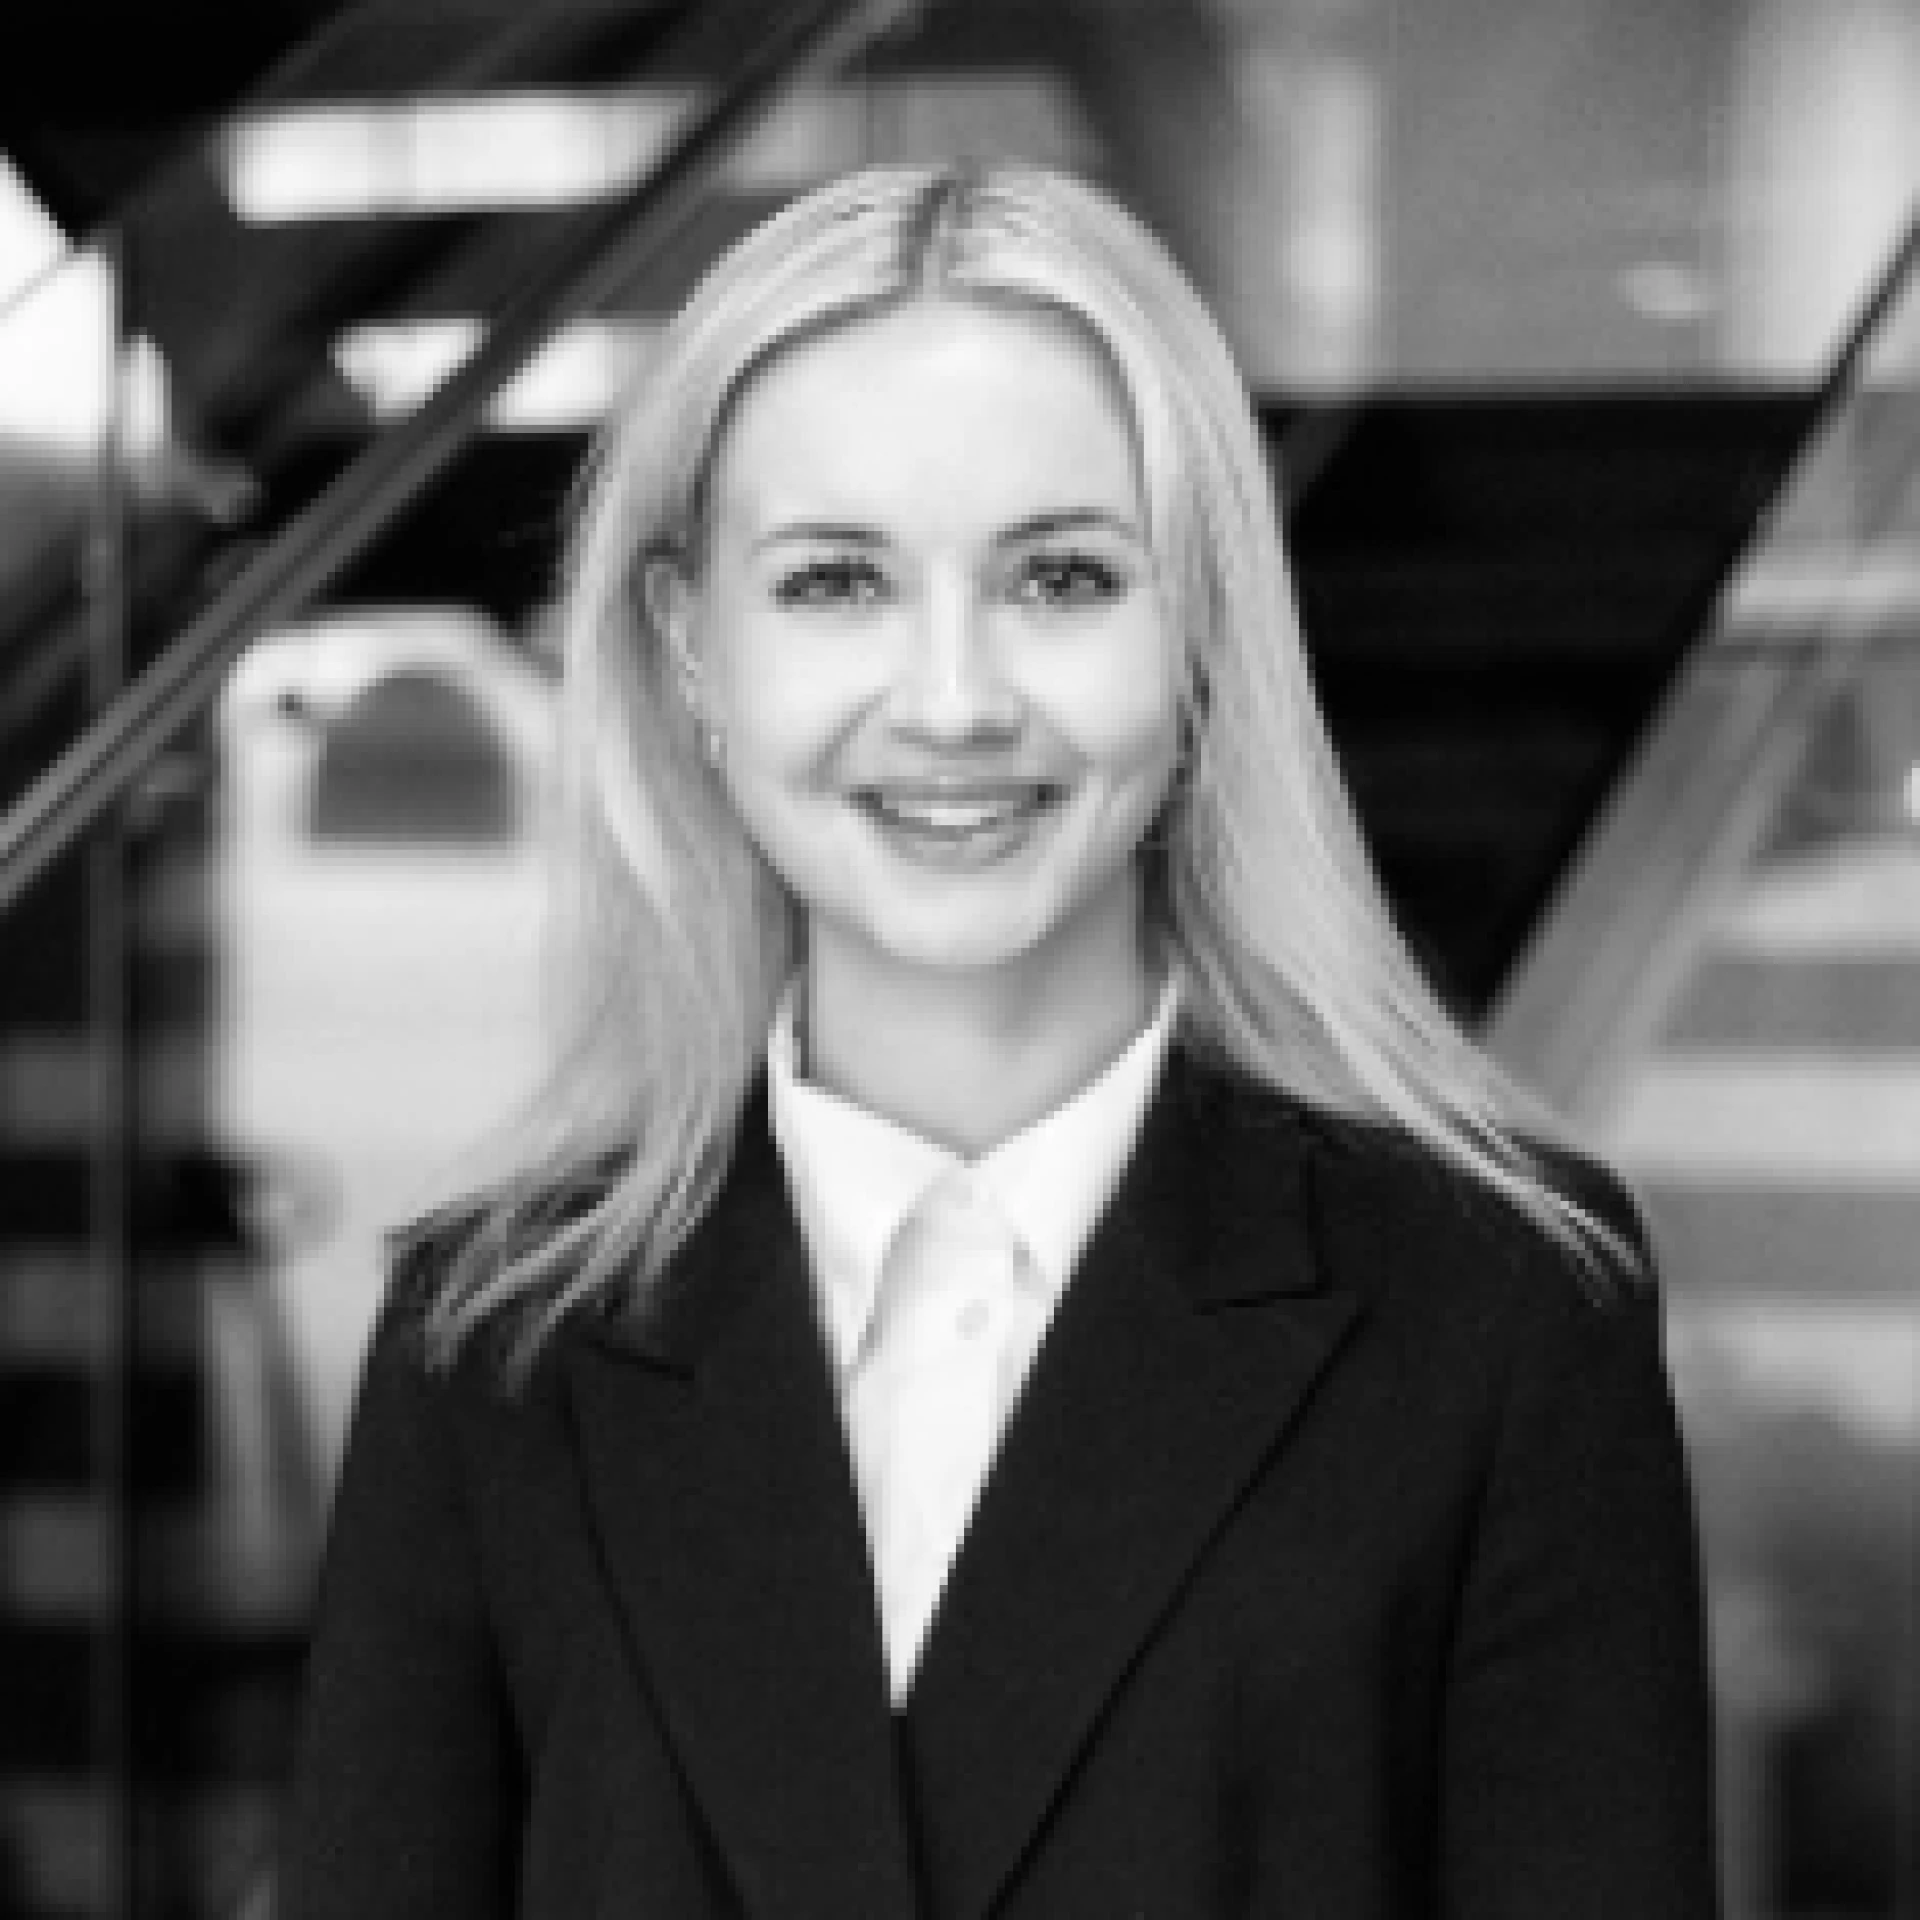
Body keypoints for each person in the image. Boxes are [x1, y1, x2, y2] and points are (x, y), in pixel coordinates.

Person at [278, 162, 1719, 1919]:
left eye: (1061, 577)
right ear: (689, 649)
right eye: (834, 582)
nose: (954, 701)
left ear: (1201, 638)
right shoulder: (496, 1339)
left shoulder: (1500, 1308)